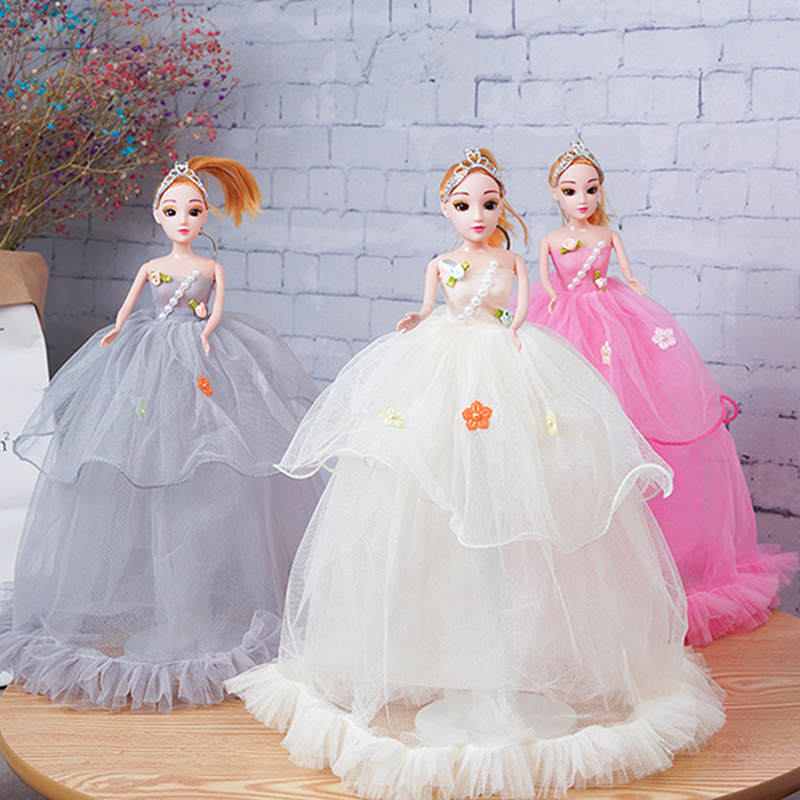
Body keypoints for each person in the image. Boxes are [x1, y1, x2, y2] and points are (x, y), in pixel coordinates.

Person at [227, 149, 724, 800]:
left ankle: (506, 670)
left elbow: (523, 309)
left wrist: (515, 332)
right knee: (441, 494)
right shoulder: (442, 263)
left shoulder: (512, 261)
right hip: (443, 364)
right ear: (446, 208)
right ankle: (475, 663)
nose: (478, 214)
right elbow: (430, 307)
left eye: (489, 203)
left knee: (522, 487)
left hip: (510, 362)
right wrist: (416, 321)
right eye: (464, 204)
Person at [0, 157, 322, 711]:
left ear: (205, 216)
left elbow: (214, 313)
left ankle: (194, 602)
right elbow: (128, 309)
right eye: (172, 211)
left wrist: (207, 334)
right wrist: (116, 333)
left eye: (193, 211)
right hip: (151, 358)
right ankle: (174, 605)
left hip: (205, 357)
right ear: (157, 214)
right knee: (150, 459)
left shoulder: (210, 267)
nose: (183, 220)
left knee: (214, 461)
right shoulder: (152, 267)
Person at [525, 140, 797, 646]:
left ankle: (635, 568)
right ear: (556, 194)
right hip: (563, 322)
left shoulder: (607, 234)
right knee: (564, 427)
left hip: (614, 321)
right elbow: (545, 280)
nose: (582, 198)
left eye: (590, 189)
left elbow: (625, 273)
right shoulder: (550, 240)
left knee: (633, 416)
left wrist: (632, 286)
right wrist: (551, 307)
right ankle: (567, 572)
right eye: (571, 190)